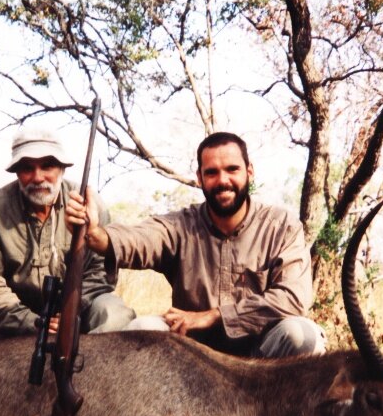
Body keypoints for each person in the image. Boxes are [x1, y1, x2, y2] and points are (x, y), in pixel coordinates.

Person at [66, 131, 325, 358]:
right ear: (200, 178)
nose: (223, 180)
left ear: (249, 171)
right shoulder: (182, 225)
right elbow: (139, 238)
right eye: (211, 172)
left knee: (301, 334)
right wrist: (96, 235)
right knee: (141, 330)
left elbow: (291, 300)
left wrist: (213, 316)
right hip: (196, 360)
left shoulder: (282, 225)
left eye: (232, 169)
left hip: (261, 359)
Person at [0, 126, 135, 338]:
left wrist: (72, 308)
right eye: (27, 168)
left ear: (62, 169)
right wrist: (35, 323)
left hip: (81, 307)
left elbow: (101, 273)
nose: (38, 177)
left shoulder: (89, 205)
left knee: (114, 314)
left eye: (47, 166)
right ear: (17, 173)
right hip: (21, 318)